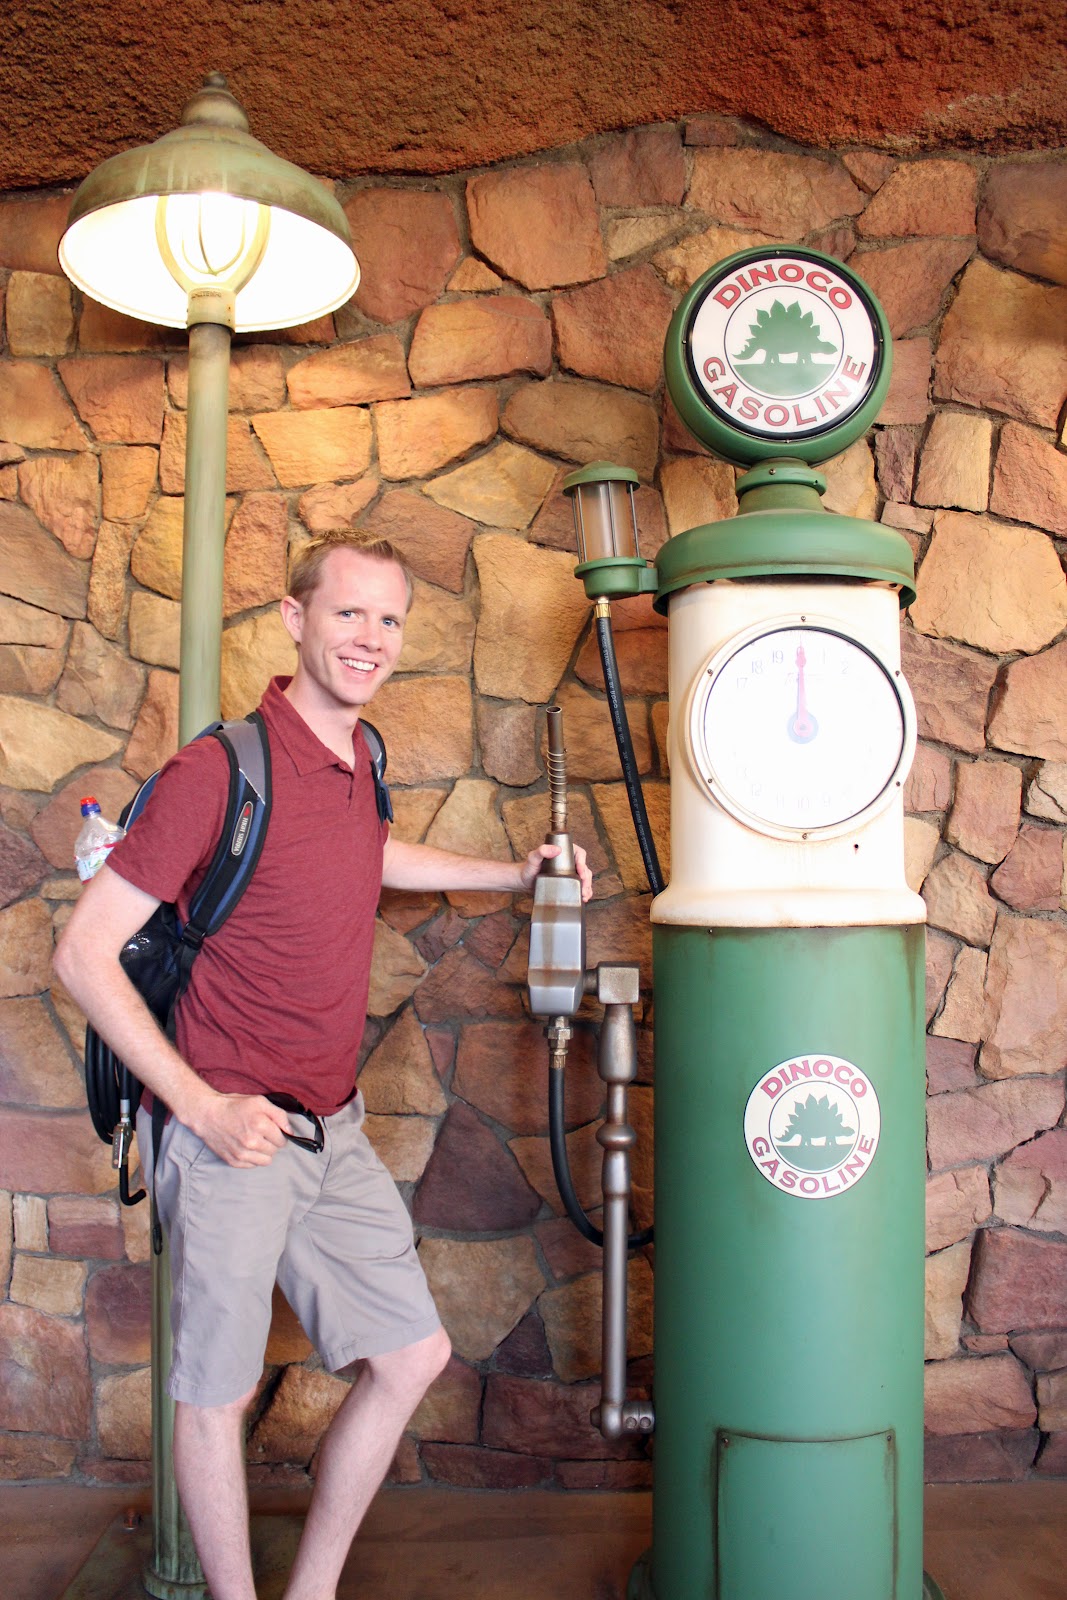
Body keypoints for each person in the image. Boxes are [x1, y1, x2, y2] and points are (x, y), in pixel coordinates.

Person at [55, 529, 592, 1600]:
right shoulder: (217, 771)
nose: (371, 638)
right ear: (296, 620)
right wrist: (201, 1109)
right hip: (227, 1139)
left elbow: (370, 853)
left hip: (330, 1127)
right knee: (211, 1394)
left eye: (389, 619)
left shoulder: (363, 758)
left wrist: (509, 872)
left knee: (408, 1358)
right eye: (349, 613)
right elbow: (80, 952)